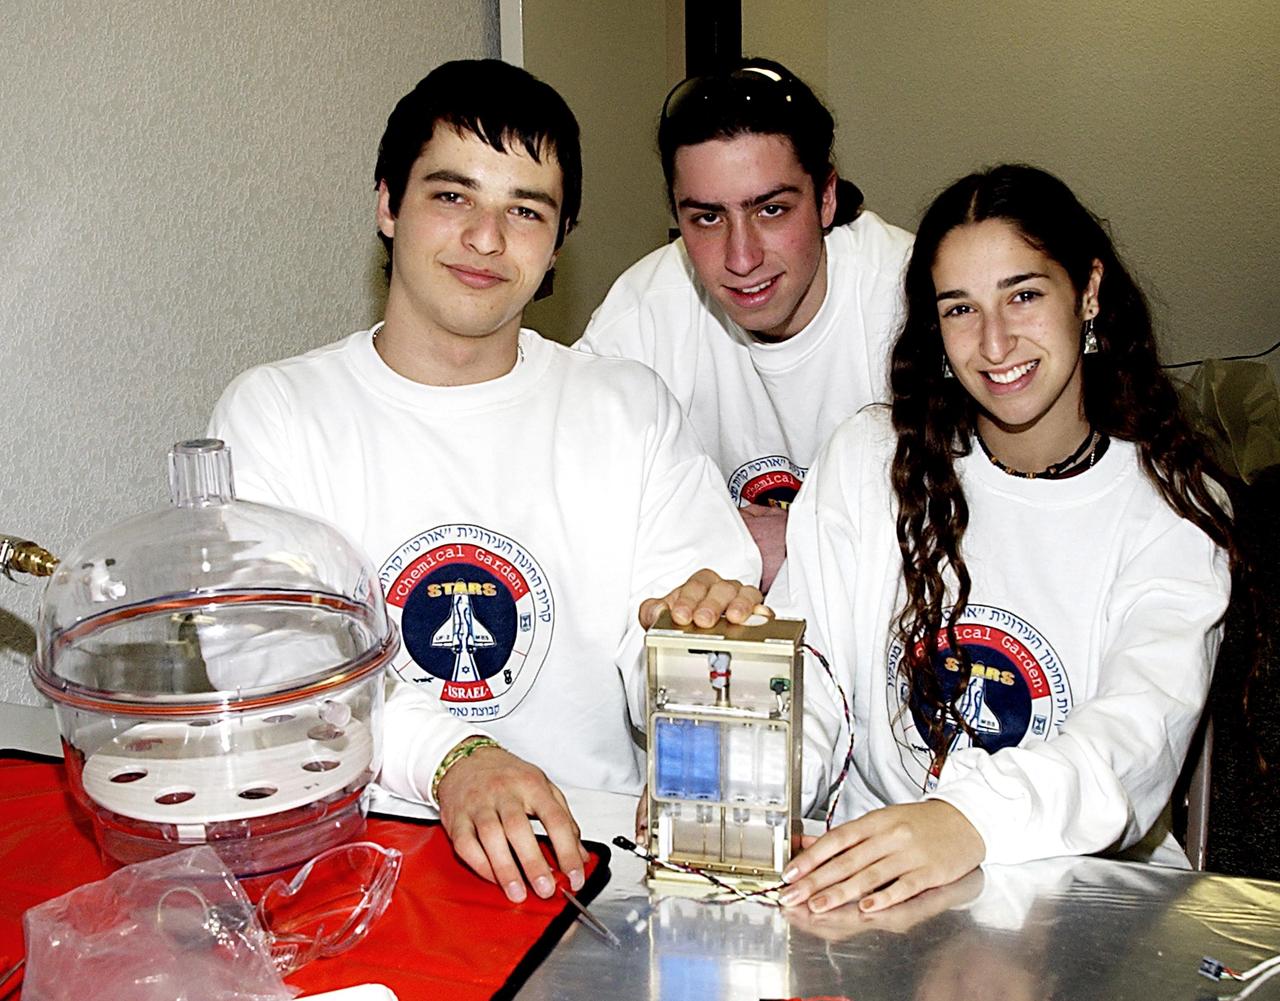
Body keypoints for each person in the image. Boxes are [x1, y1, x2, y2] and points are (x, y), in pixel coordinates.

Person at [209, 59, 761, 904]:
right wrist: (453, 757)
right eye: (452, 196)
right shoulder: (279, 412)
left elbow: (692, 652)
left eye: (525, 211)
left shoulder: (627, 409)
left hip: (586, 867)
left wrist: (706, 703)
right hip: (354, 863)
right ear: (388, 204)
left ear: (558, 242)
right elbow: (270, 669)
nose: (487, 239)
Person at [772, 164, 1236, 914]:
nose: (994, 342)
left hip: (1081, 891)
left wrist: (968, 820)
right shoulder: (867, 459)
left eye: (1023, 294)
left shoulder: (1170, 506)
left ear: (1087, 291)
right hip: (868, 880)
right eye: (960, 308)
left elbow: (1137, 734)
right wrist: (760, 784)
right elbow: (811, 672)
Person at [578, 58, 913, 589]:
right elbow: (573, 507)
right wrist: (720, 541)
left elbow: (1005, 514)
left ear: (826, 197)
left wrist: (811, 537)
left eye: (771, 210)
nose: (741, 258)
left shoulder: (914, 298)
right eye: (708, 218)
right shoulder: (646, 310)